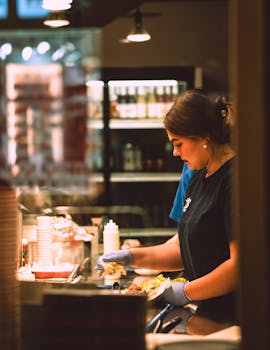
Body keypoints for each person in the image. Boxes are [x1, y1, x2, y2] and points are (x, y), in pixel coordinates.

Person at [97, 90, 237, 307]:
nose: (174, 152)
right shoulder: (199, 175)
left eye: (178, 143)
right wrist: (132, 257)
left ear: (203, 138)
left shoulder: (234, 180)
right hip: (205, 307)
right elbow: (182, 249)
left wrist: (187, 292)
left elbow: (239, 266)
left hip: (232, 313)